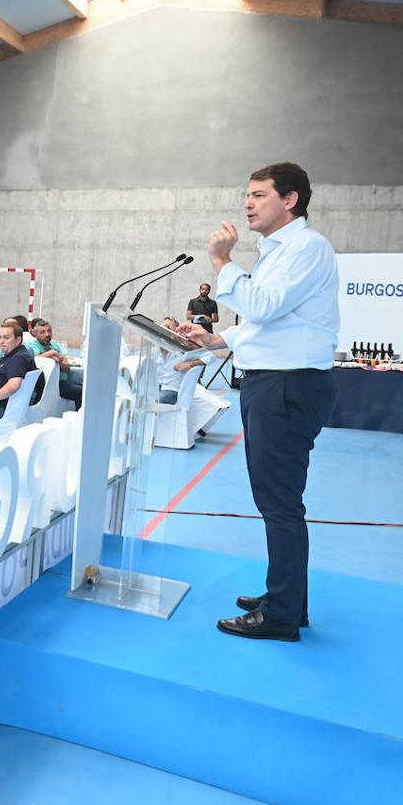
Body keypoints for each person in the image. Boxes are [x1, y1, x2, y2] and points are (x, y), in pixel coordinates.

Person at [177, 162, 338, 642]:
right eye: (246, 195)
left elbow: (263, 305)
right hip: (277, 380)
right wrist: (215, 340)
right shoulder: (280, 251)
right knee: (277, 500)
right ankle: (287, 599)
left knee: (279, 502)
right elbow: (266, 322)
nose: (247, 203)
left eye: (259, 195)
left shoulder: (305, 247)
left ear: (290, 200)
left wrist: (224, 262)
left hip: (288, 384)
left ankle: (282, 616)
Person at [25, 318, 81, 409]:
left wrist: (60, 362)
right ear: (35, 334)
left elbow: (67, 367)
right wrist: (52, 353)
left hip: (62, 381)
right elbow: (37, 359)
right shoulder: (32, 345)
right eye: (42, 332)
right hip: (49, 384)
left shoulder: (54, 344)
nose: (47, 334)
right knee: (81, 392)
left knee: (86, 387)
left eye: (49, 331)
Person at [157, 317, 206, 404]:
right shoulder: (160, 346)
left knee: (157, 402)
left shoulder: (186, 349)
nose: (165, 330)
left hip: (171, 389)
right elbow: (159, 334)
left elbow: (212, 356)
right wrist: (167, 324)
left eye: (168, 328)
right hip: (157, 385)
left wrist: (189, 364)